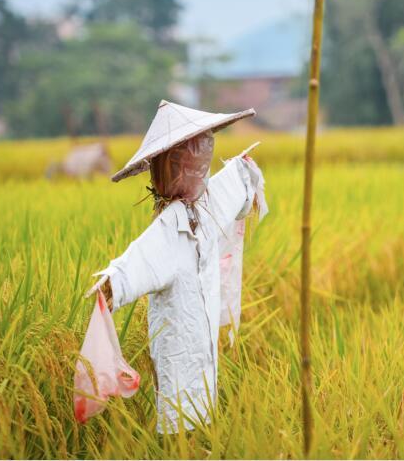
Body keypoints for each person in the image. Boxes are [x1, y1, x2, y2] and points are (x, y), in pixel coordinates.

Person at [85, 100, 268, 434]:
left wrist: (247, 174)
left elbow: (237, 185)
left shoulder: (210, 203)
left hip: (204, 334)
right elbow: (134, 263)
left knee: (205, 396)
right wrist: (110, 285)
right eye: (186, 158)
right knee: (178, 408)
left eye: (201, 153)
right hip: (176, 343)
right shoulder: (167, 230)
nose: (196, 163)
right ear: (165, 167)